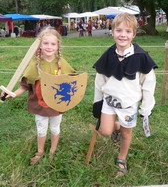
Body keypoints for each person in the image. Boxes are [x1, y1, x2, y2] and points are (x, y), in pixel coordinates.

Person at [92, 13, 157, 177]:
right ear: (112, 32)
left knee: (126, 134)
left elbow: (148, 84)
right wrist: (97, 102)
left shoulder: (141, 57)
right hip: (109, 102)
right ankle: (117, 127)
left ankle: (121, 159)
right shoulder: (108, 55)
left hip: (128, 104)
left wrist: (146, 107)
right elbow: (100, 81)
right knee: (104, 131)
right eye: (119, 30)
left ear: (134, 34)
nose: (123, 35)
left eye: (128, 31)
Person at [1, 26, 75, 165]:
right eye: (45, 43)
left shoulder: (61, 63)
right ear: (39, 45)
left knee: (55, 128)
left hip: (56, 104)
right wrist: (13, 94)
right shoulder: (35, 64)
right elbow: (25, 85)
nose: (49, 47)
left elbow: (72, 81)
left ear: (58, 45)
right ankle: (40, 152)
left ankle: (53, 150)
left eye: (53, 44)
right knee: (41, 129)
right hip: (40, 104)